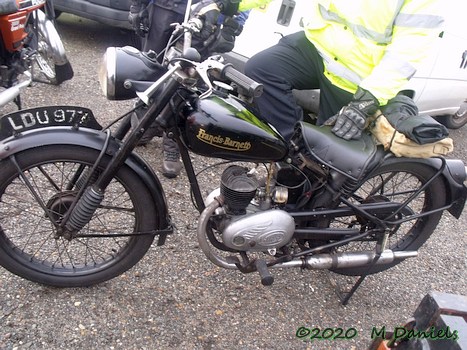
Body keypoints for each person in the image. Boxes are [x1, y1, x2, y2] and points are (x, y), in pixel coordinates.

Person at [193, 0, 444, 142]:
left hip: (359, 76)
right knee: (262, 68)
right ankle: (291, 145)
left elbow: (410, 48)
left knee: (330, 151)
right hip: (317, 48)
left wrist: (367, 100)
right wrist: (228, 3)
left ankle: (314, 216)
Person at [128, 0, 250, 178]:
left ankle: (173, 143)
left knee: (188, 80)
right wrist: (137, 5)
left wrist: (236, 24)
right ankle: (146, 124)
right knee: (151, 68)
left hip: (208, 13)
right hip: (165, 6)